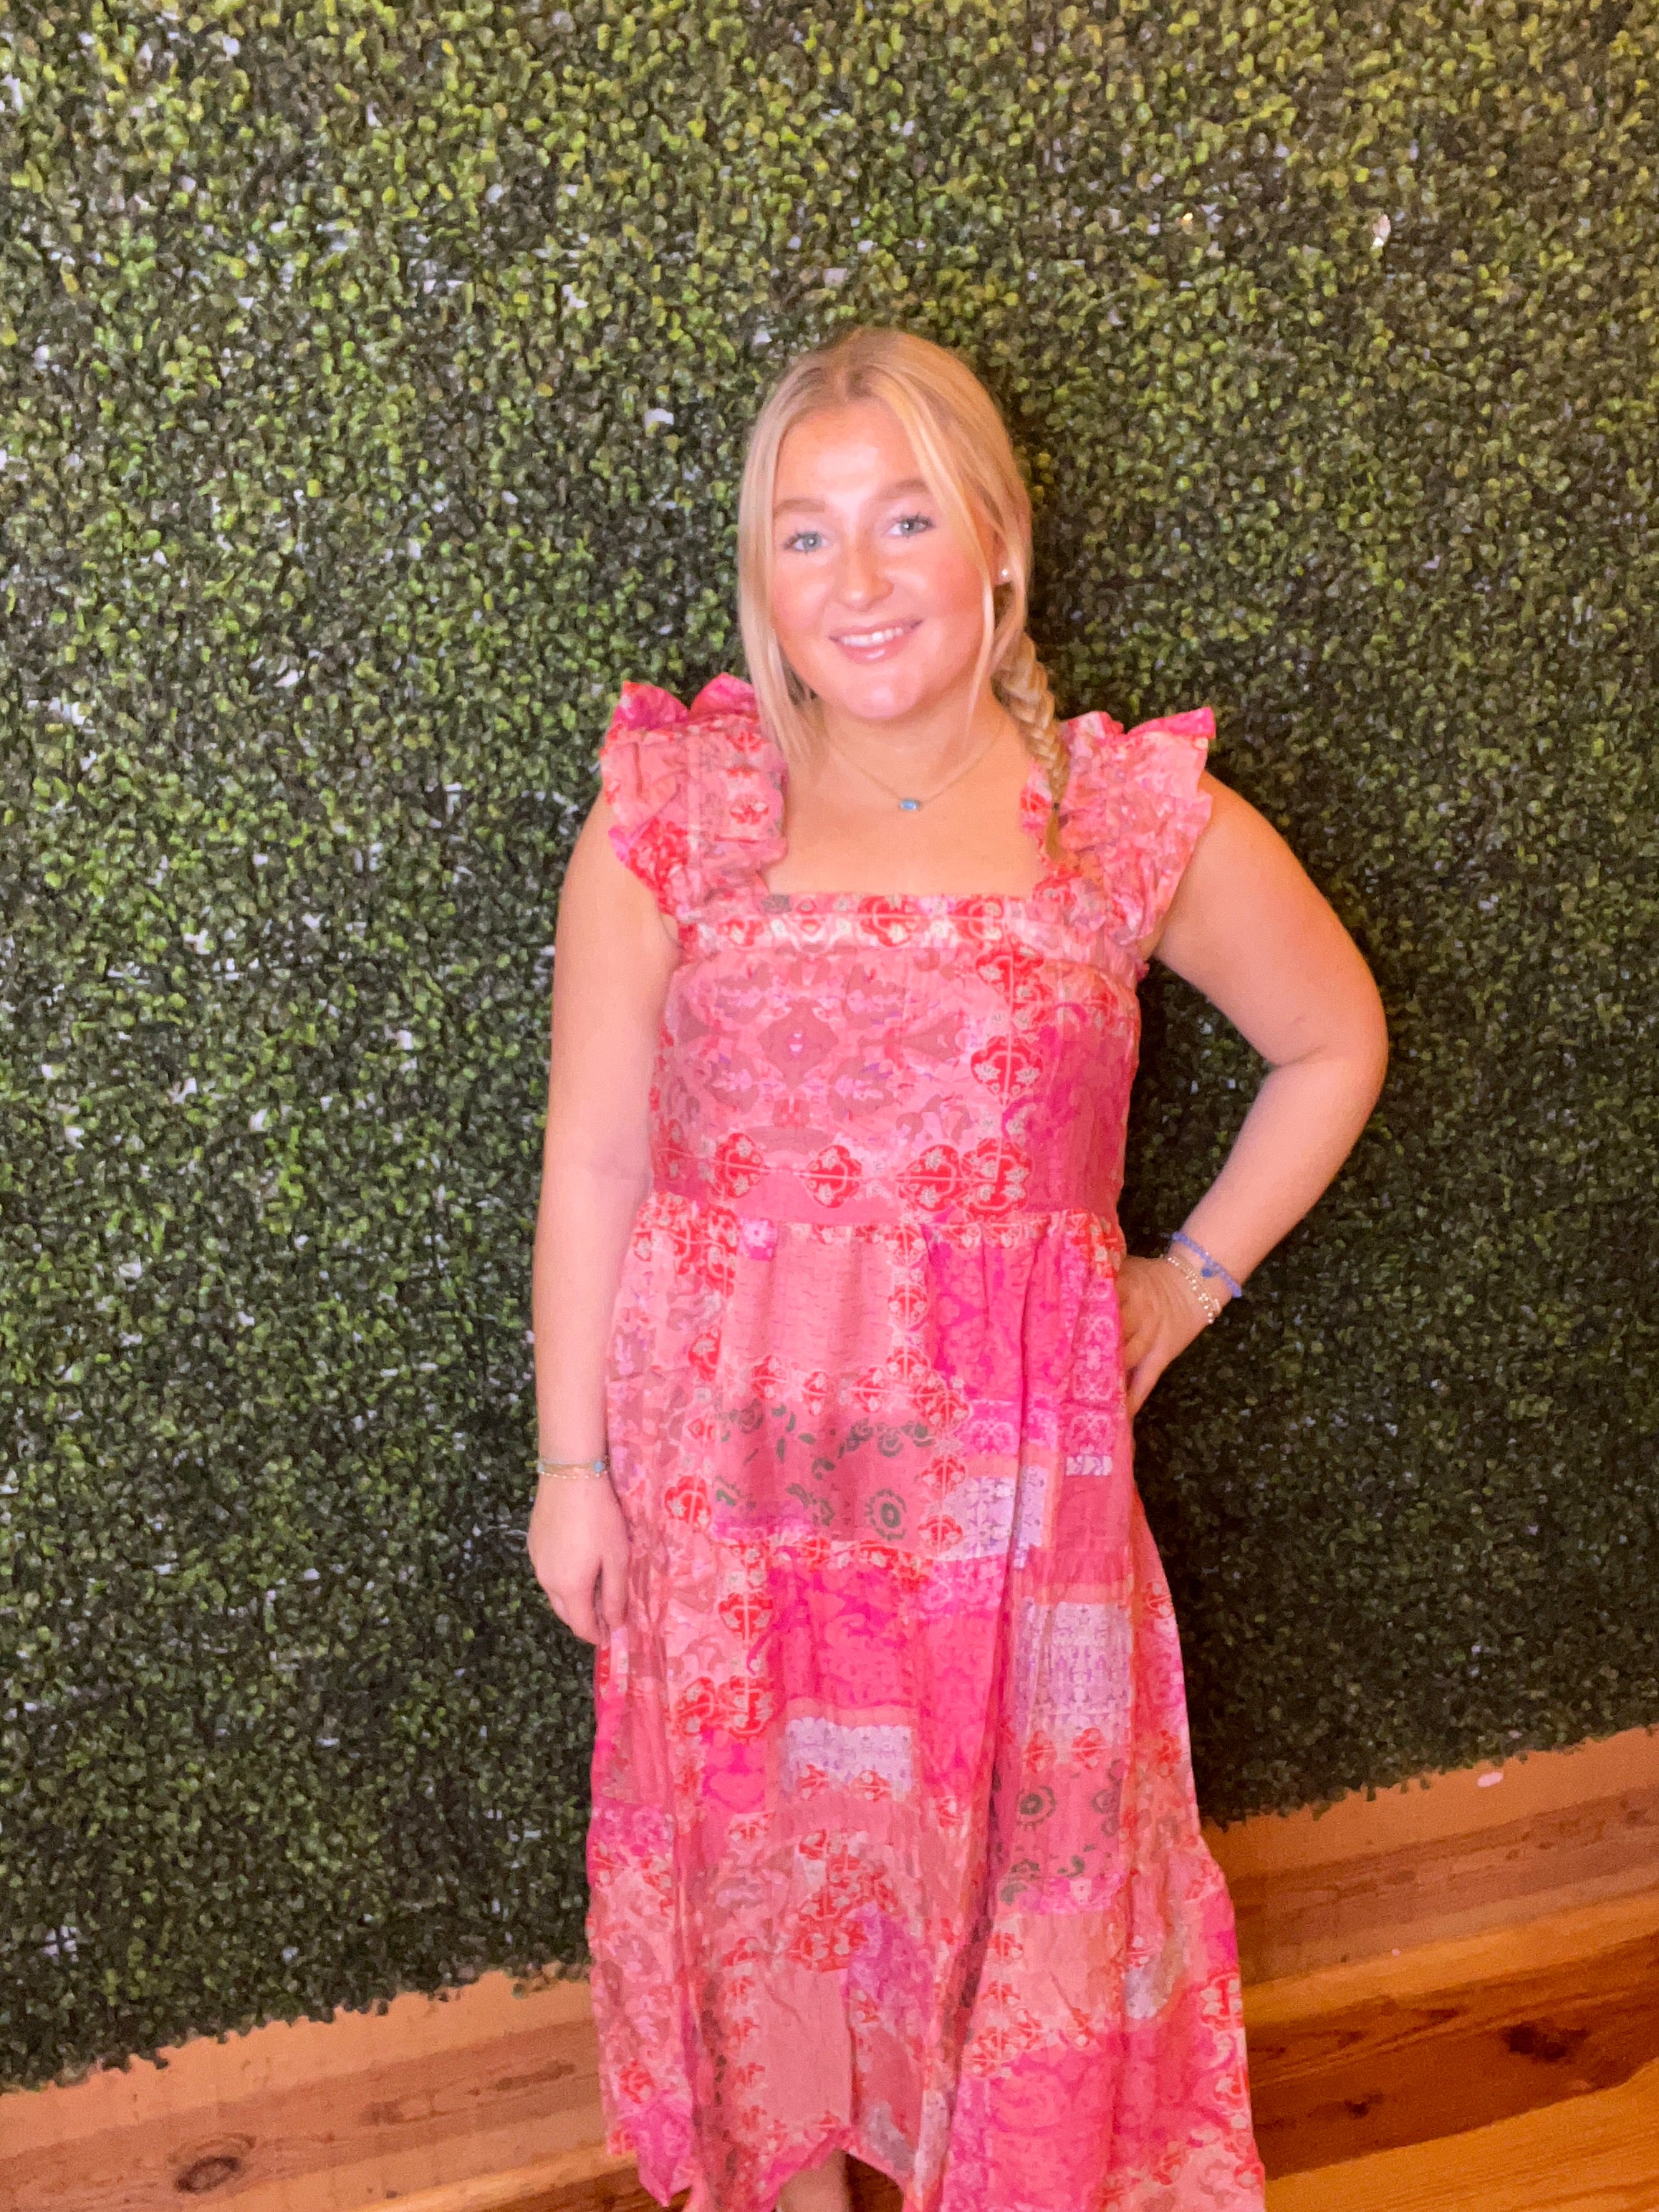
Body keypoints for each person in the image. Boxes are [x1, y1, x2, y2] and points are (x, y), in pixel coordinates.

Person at [528, 326, 1388, 2212]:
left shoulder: (1117, 820)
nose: (859, 577)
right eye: (806, 533)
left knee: (1013, 1891)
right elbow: (593, 1156)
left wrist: (1188, 1280)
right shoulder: (674, 815)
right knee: (762, 1892)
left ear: (997, 540)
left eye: (906, 517)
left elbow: (1334, 1040)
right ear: (760, 576)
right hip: (726, 1500)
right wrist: (570, 1471)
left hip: (1011, 1518)